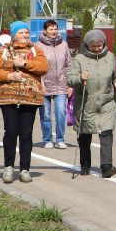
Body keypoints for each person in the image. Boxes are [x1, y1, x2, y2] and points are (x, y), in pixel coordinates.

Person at [0, 21, 49, 183]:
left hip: (31, 98)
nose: (25, 36)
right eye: (21, 33)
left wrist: (25, 64)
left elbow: (44, 68)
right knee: (11, 132)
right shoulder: (3, 51)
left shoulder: (36, 50)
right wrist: (9, 76)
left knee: (26, 134)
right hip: (8, 98)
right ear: (14, 35)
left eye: (26, 33)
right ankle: (8, 167)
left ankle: (24, 169)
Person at [68, 29, 116, 177]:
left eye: (99, 45)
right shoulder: (79, 59)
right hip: (86, 102)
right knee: (85, 135)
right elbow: (70, 79)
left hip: (107, 102)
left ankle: (106, 167)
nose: (97, 48)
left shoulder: (111, 57)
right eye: (93, 46)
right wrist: (80, 78)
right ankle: (85, 165)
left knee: (106, 133)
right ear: (87, 45)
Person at [36, 20, 71, 150]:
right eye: (51, 29)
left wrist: (70, 84)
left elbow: (69, 65)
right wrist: (40, 84)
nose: (54, 31)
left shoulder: (64, 44)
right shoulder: (38, 45)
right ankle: (47, 139)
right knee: (45, 114)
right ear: (45, 31)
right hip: (44, 84)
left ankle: (60, 139)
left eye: (55, 29)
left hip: (61, 84)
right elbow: (36, 67)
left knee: (61, 112)